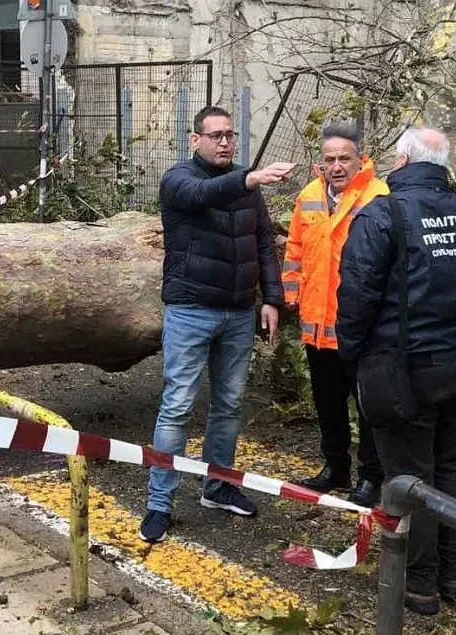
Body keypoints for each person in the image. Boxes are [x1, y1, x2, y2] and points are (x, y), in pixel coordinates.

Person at [336, 127, 456, 616]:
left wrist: (353, 356)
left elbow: (356, 296)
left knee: (410, 476)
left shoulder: (383, 214)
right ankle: (455, 574)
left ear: (401, 159)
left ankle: (418, 586)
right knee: (452, 465)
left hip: (402, 369)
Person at [140, 105, 296, 543]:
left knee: (228, 406)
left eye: (230, 135)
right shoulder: (178, 180)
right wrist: (249, 179)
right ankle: (159, 503)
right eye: (216, 135)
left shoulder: (247, 186)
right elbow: (200, 196)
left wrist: (272, 299)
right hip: (191, 311)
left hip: (239, 313)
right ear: (196, 140)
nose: (225, 142)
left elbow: (263, 243)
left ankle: (218, 486)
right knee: (177, 408)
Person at [282, 121, 389, 507]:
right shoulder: (309, 197)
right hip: (317, 328)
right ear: (320, 164)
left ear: (360, 160)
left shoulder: (379, 197)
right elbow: (294, 250)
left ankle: (370, 477)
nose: (338, 166)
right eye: (330, 159)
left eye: (345, 158)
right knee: (328, 405)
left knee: (367, 408)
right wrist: (290, 298)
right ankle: (335, 468)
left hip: (360, 330)